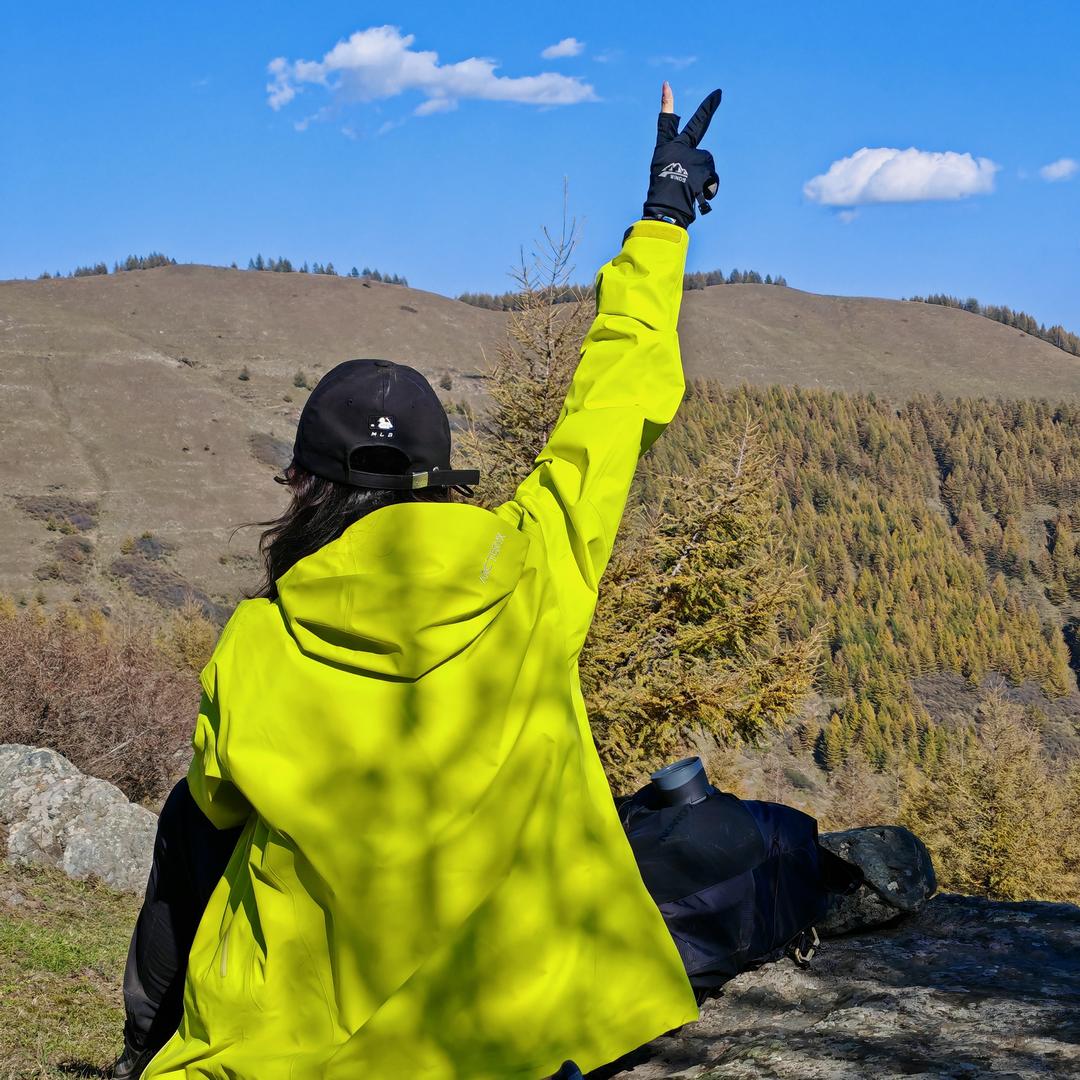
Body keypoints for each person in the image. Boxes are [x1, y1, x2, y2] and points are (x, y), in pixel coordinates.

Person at [114, 80, 722, 1080]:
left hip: (287, 1053)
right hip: (519, 1043)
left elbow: (202, 838)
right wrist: (662, 218)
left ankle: (144, 1048)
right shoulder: (533, 570)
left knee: (195, 815)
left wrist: (153, 1039)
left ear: (305, 487)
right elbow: (611, 407)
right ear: (443, 483)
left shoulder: (259, 649)